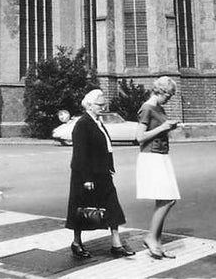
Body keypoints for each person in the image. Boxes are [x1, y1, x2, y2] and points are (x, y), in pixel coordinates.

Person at [65, 88, 135, 259]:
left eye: (104, 104)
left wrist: (109, 167)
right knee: (81, 210)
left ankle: (116, 244)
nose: (103, 107)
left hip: (102, 172)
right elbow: (80, 154)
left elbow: (105, 146)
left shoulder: (97, 121)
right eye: (99, 105)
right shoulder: (83, 124)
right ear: (89, 105)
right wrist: (87, 178)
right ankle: (76, 242)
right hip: (86, 175)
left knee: (112, 206)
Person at [136, 76, 181, 259]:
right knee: (168, 199)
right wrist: (163, 127)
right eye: (169, 94)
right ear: (160, 91)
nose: (170, 98)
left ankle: (157, 242)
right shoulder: (147, 108)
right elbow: (139, 137)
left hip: (161, 156)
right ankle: (150, 238)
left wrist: (167, 128)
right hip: (151, 157)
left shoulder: (158, 108)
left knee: (165, 199)